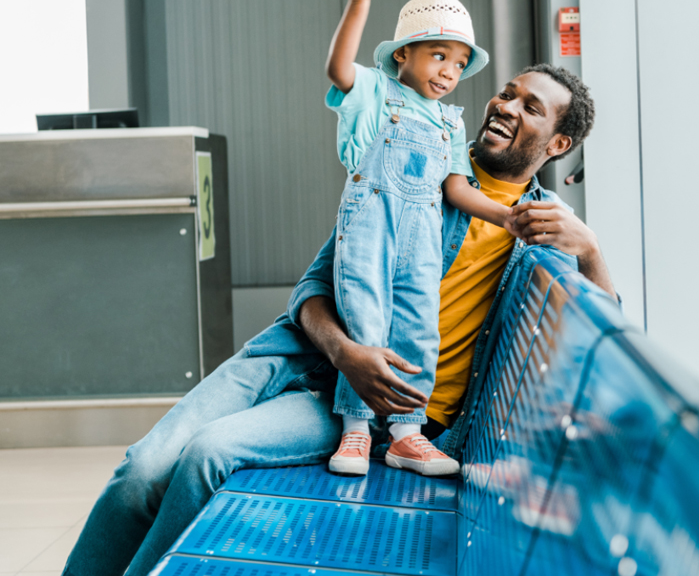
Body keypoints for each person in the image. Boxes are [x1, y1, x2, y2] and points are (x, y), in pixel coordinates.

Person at [61, 63, 615, 576]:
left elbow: (604, 342)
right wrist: (346, 352)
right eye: (507, 92)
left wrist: (590, 251)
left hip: (377, 411)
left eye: (531, 107)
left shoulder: (542, 234)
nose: (507, 106)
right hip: (300, 357)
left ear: (559, 143)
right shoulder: (410, 161)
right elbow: (313, 286)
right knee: (139, 472)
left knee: (208, 455)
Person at [322, 0, 520, 477]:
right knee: (364, 320)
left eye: (458, 64)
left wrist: (507, 215)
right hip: (371, 225)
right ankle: (356, 431)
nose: (448, 73)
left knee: (417, 325)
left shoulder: (449, 122)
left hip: (422, 239)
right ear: (403, 54)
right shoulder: (373, 94)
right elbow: (339, 69)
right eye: (438, 56)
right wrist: (359, 0)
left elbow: (456, 187)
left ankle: (406, 434)